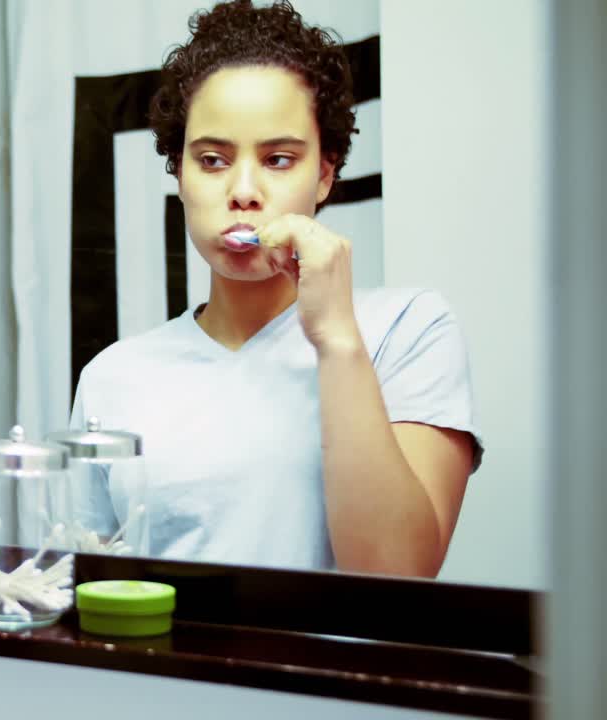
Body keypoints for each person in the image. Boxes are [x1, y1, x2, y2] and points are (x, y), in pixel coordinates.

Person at [70, 0, 483, 577]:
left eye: (279, 158)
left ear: (325, 174)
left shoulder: (409, 330)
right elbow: (94, 592)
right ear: (180, 176)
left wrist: (337, 340)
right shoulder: (112, 378)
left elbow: (398, 576)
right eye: (212, 159)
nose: (243, 190)